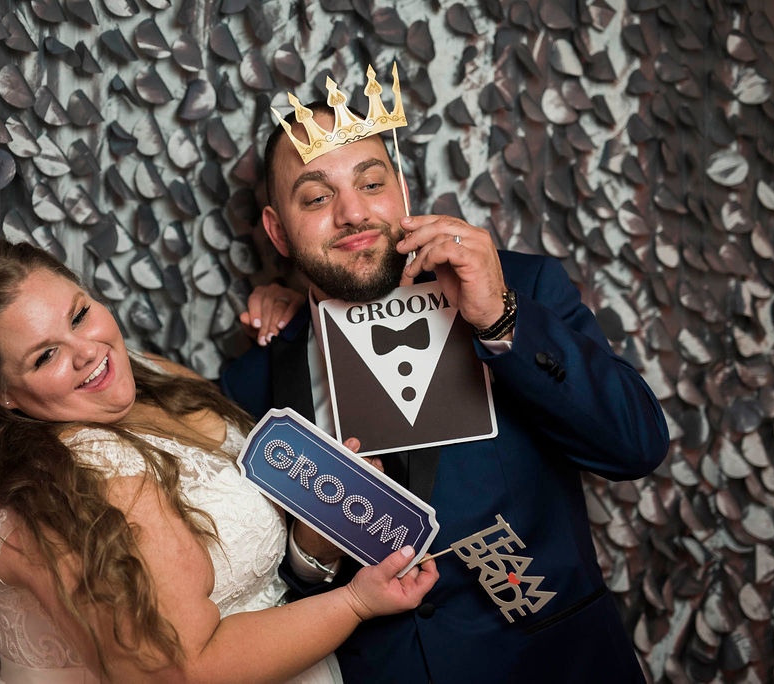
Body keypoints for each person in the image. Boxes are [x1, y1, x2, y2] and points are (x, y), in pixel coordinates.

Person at [220, 97, 670, 683]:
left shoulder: (518, 287)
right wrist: (314, 554)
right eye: (316, 197)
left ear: (402, 191)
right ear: (278, 231)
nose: (353, 213)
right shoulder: (251, 379)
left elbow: (637, 446)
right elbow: (262, 584)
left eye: (371, 184)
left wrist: (501, 318)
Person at [0, 239, 438, 683]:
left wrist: (313, 535)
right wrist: (355, 603)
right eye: (45, 356)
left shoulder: (148, 375)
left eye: (79, 315)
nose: (87, 351)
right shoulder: (87, 472)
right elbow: (182, 669)